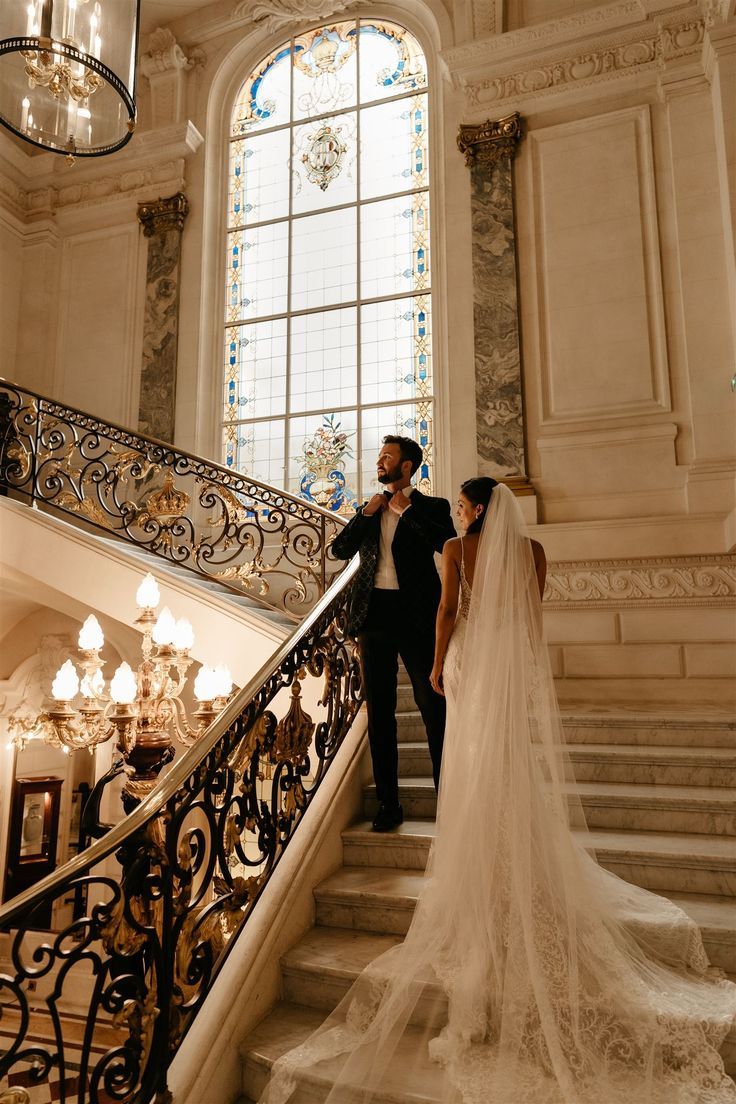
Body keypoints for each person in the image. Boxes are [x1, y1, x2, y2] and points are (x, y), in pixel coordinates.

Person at [262, 479, 736, 1104]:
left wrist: (435, 667)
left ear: (477, 509)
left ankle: (483, 851)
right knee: (506, 761)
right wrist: (521, 669)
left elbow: (449, 611)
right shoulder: (534, 551)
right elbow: (530, 614)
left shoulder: (459, 550)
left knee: (471, 757)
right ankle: (512, 843)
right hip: (509, 665)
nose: (456, 512)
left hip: (467, 662)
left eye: (461, 504)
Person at [331, 435, 455, 832]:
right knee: (380, 715)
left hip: (417, 617)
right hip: (373, 618)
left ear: (407, 466)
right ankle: (389, 803)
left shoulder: (432, 507)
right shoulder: (367, 509)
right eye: (380, 456)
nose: (380, 461)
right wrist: (367, 514)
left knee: (433, 707)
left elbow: (446, 545)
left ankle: (449, 798)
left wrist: (406, 513)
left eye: (387, 457)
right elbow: (339, 549)